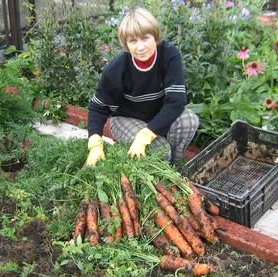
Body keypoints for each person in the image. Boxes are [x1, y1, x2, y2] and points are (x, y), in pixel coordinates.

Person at [85, 7, 199, 166]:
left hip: (157, 116)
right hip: (126, 119)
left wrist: (146, 134)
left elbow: (176, 101)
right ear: (126, 43)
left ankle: (174, 165)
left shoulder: (169, 55)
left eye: (145, 38)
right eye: (133, 41)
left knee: (188, 120)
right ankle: (161, 163)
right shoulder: (117, 68)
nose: (140, 47)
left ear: (155, 36)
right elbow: (98, 108)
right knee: (160, 149)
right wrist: (95, 143)